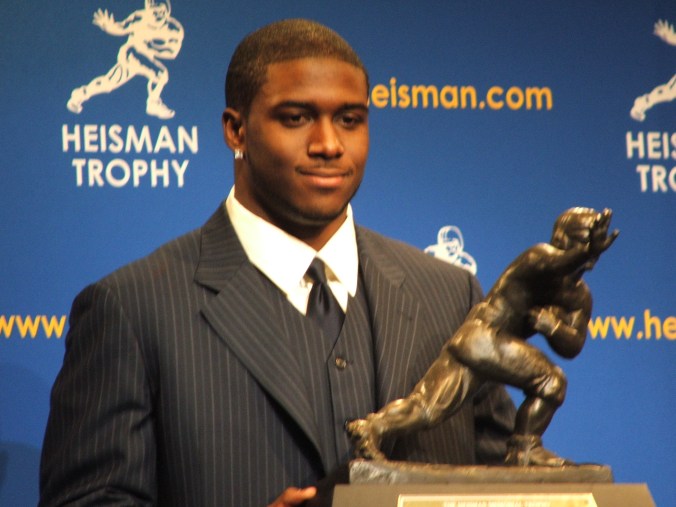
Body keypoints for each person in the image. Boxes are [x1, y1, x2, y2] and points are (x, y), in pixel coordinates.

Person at [40, 19, 515, 507]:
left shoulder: (450, 295)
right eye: (296, 118)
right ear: (236, 130)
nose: (328, 144)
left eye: (349, 119)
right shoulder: (133, 309)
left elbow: (512, 481)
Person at [348, 208, 618, 467]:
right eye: (585, 239)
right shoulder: (539, 257)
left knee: (428, 408)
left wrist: (553, 328)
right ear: (562, 240)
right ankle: (525, 449)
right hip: (483, 336)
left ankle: (372, 427)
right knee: (551, 381)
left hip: (485, 348)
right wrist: (585, 251)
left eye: (595, 240)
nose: (594, 247)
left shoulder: (580, 297)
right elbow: (557, 264)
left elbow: (573, 344)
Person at [66, 0, 184, 119]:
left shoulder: (174, 29)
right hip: (130, 53)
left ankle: (80, 94)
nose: (159, 15)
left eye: (162, 12)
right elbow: (121, 28)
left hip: (146, 58)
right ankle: (153, 103)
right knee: (160, 74)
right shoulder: (139, 18)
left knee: (108, 83)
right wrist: (108, 26)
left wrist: (151, 47)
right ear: (148, 10)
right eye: (155, 12)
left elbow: (172, 53)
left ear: (167, 11)